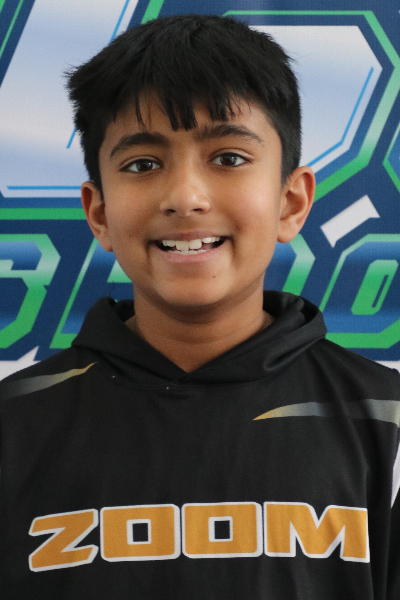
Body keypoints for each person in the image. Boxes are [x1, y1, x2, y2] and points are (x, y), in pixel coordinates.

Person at [0, 14, 399, 599]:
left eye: (229, 158)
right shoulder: (13, 426)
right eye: (142, 164)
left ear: (291, 201)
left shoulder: (388, 424)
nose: (185, 197)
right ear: (99, 213)